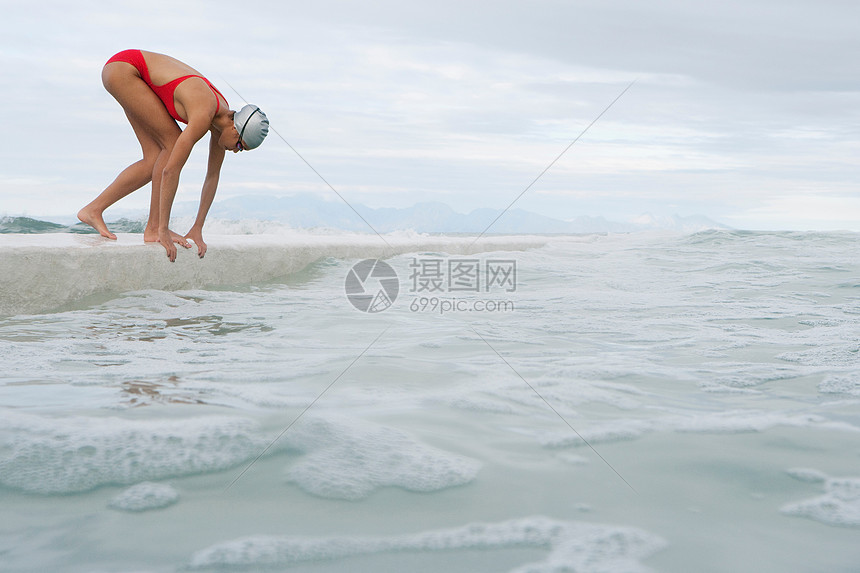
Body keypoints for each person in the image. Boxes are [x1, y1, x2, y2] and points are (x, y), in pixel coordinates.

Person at [77, 49, 269, 262]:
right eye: (240, 147)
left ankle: (93, 210)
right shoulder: (205, 111)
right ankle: (153, 229)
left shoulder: (220, 123)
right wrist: (164, 230)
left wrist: (197, 228)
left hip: (127, 72)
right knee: (171, 144)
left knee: (154, 159)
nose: (236, 151)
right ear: (235, 130)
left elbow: (212, 176)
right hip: (125, 69)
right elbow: (171, 170)